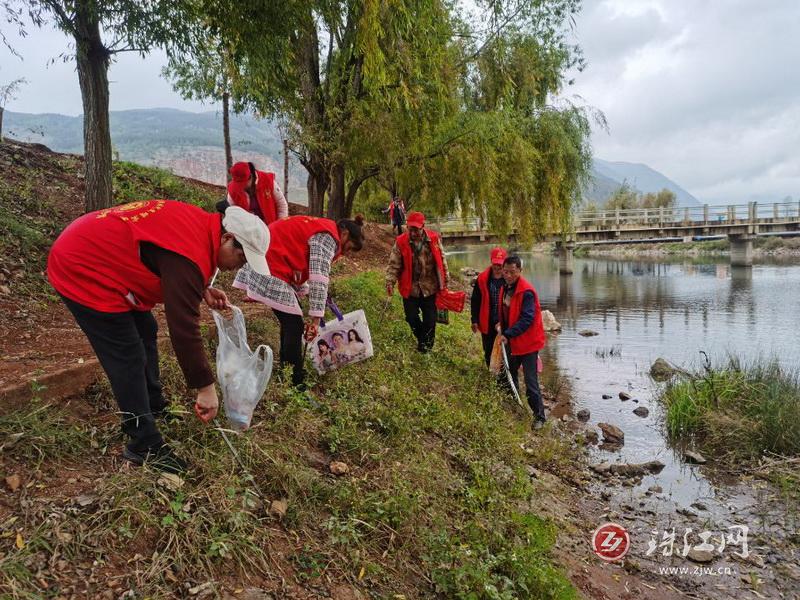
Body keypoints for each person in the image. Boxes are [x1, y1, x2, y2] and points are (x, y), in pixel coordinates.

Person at [47, 201, 271, 473]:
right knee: (127, 354)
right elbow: (183, 328)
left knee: (146, 330)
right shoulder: (188, 257)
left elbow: (166, 254)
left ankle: (153, 405)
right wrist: (205, 388)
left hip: (96, 245)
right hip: (82, 264)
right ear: (227, 238)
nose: (239, 267)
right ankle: (143, 442)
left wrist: (202, 288)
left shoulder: (202, 227)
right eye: (242, 258)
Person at [232, 214, 365, 388]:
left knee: (291, 322)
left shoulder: (324, 228)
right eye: (349, 248)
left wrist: (310, 297)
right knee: (294, 325)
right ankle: (295, 382)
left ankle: (286, 372)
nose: (346, 253)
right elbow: (319, 276)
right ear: (345, 234)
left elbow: (303, 260)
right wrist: (316, 319)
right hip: (271, 265)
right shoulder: (328, 237)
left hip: (272, 261)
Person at [385, 211, 450, 353]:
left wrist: (445, 280)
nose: (413, 232)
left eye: (416, 229)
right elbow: (394, 264)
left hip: (430, 287)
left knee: (430, 321)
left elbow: (442, 260)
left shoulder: (433, 239)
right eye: (410, 229)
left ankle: (426, 348)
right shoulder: (401, 241)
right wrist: (390, 281)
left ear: (423, 227)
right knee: (411, 318)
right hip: (411, 288)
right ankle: (423, 341)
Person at [496, 255, 547, 428]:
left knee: (531, 381)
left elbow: (527, 319)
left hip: (528, 343)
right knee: (507, 373)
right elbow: (507, 311)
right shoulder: (506, 287)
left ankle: (539, 417)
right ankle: (514, 405)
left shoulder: (527, 292)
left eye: (512, 272)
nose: (508, 275)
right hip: (513, 341)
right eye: (505, 271)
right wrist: (501, 325)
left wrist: (507, 334)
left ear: (520, 271)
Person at [471, 247, 507, 367]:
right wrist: (474, 320)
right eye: (495, 264)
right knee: (488, 350)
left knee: (505, 351)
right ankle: (491, 373)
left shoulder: (509, 280)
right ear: (491, 262)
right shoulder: (482, 279)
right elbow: (475, 300)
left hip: (505, 322)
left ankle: (503, 377)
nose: (497, 268)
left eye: (500, 266)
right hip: (487, 321)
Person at [223, 161, 289, 225]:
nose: (241, 187)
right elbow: (232, 213)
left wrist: (279, 225)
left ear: (251, 177)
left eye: (243, 183)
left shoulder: (267, 181)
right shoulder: (233, 189)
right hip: (248, 229)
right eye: (238, 184)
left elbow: (281, 204)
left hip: (271, 225)